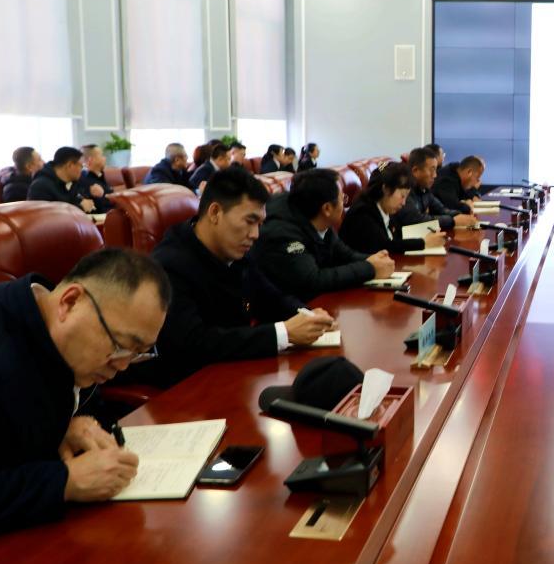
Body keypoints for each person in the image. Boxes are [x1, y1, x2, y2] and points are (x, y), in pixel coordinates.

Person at [0, 248, 169, 546]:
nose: (123, 365)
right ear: (69, 302)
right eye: (120, 345)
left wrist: (69, 425)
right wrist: (64, 482)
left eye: (138, 353)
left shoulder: (64, 338)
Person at [124, 168, 337, 388]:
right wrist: (284, 333)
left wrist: (307, 315)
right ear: (215, 212)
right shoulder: (170, 265)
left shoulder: (235, 252)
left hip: (235, 372)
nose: (255, 234)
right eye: (249, 221)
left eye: (260, 224)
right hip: (191, 386)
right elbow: (194, 344)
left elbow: (270, 298)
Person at [256, 168, 396, 299]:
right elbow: (313, 280)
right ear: (327, 209)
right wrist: (369, 268)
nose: (344, 205)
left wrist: (373, 259)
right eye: (342, 199)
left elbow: (344, 255)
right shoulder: (282, 233)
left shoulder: (317, 218)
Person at [340, 163, 448, 255]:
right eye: (402, 196)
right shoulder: (362, 214)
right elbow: (385, 246)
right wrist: (424, 243)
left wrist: (425, 234)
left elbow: (396, 236)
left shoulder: (386, 207)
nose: (404, 203)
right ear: (386, 189)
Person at [395, 147, 477, 232]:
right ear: (415, 170)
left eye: (435, 170)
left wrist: (459, 215)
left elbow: (442, 210)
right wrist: (452, 221)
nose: (435, 175)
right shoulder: (404, 190)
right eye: (432, 170)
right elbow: (417, 220)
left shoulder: (424, 190)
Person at [28, 147, 97, 214]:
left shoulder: (73, 182)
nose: (81, 170)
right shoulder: (40, 186)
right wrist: (80, 207)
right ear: (70, 165)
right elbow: (46, 216)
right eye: (81, 166)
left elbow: (81, 202)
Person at [77, 144, 114, 213]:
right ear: (91, 159)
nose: (104, 158)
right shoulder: (83, 179)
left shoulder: (100, 176)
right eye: (101, 155)